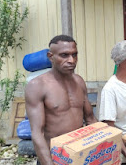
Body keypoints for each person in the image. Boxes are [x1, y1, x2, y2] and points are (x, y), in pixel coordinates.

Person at [25, 35, 97, 165]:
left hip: (78, 155)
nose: (71, 60)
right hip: (54, 158)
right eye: (64, 55)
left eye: (74, 55)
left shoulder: (79, 81)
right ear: (50, 56)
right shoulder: (37, 86)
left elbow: (91, 119)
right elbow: (37, 133)